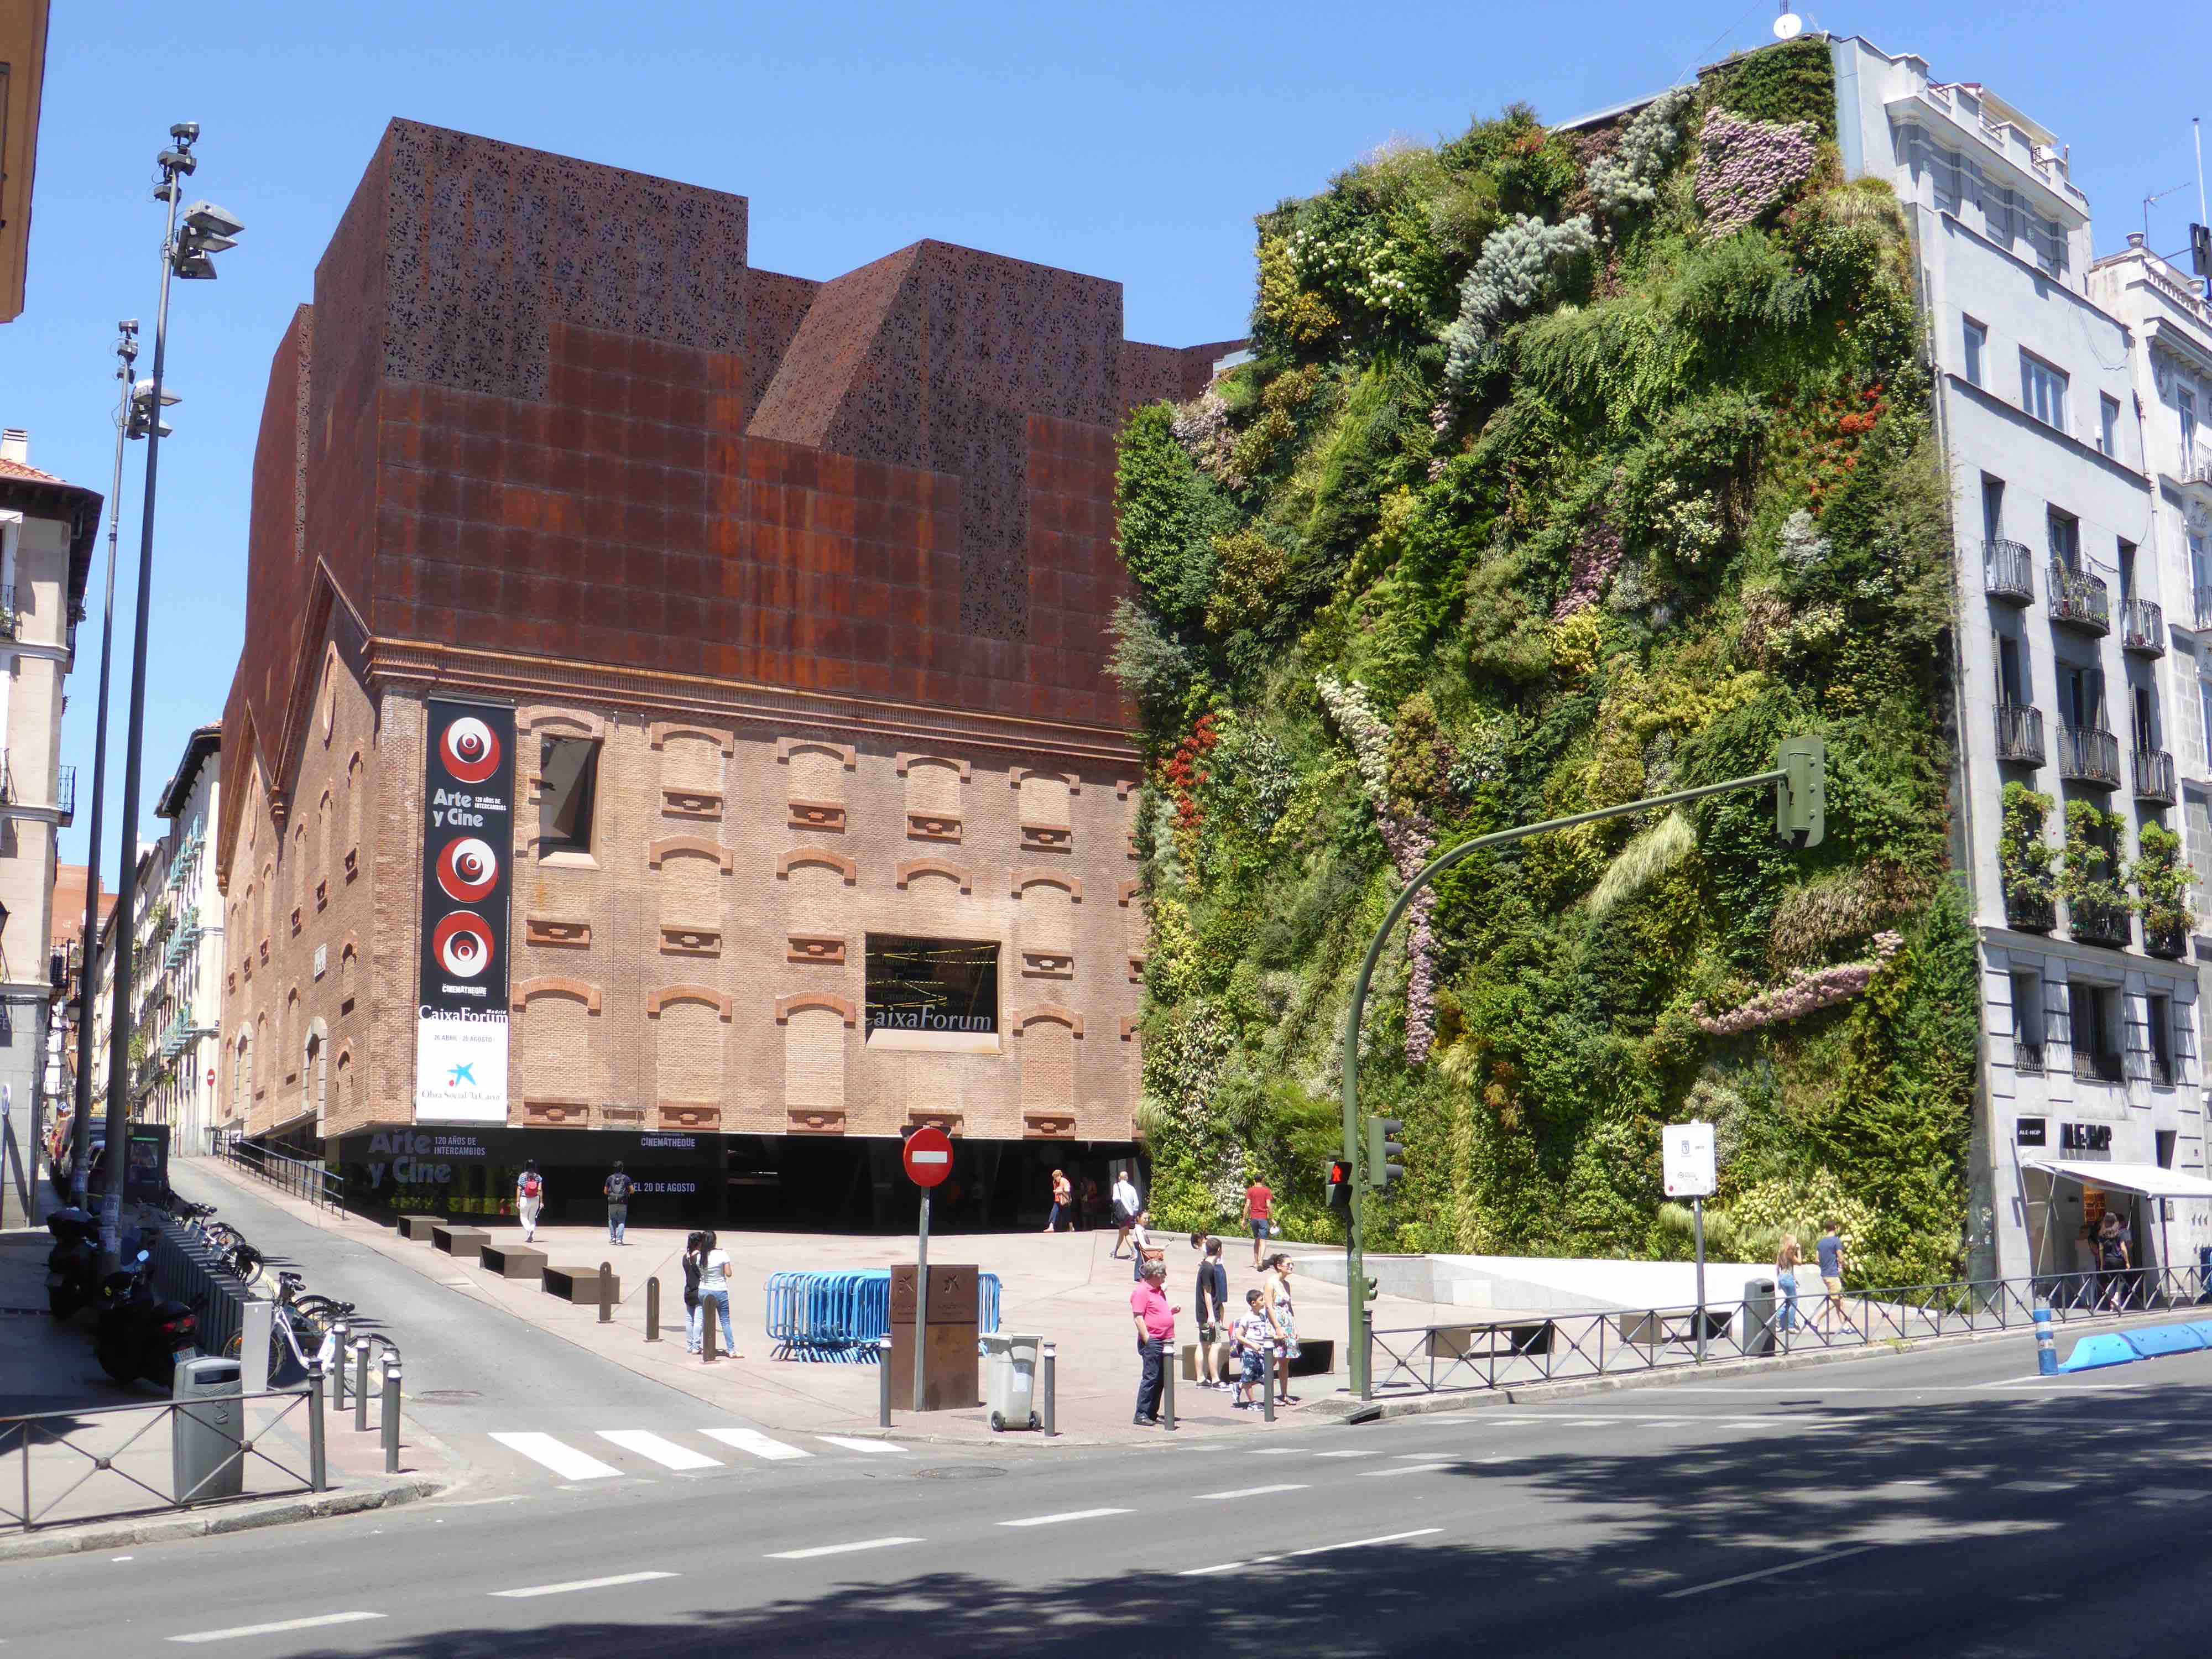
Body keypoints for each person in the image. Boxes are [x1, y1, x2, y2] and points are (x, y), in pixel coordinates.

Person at [1129, 1256, 1178, 1427]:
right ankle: (1141, 1413)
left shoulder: (1158, 1290)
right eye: (1163, 1274)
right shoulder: (1141, 1291)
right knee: (1151, 1377)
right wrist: (1148, 1339)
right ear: (1155, 1275)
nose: (1165, 1277)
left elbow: (1156, 1312)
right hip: (1153, 1340)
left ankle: (1152, 1412)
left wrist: (1170, 1312)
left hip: (1165, 1340)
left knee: (1161, 1378)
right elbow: (1138, 1317)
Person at [1193, 1236, 1230, 1389]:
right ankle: (1215, 1380)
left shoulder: (1206, 1266)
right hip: (1208, 1313)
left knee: (1203, 1343)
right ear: (1219, 1250)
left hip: (1205, 1312)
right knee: (1216, 1344)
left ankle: (1201, 1378)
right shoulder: (1208, 1268)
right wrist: (1212, 1315)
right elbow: (1207, 1292)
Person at [1265, 1252, 1301, 1405]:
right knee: (1272, 1360)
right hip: (1276, 1325)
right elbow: (1269, 1306)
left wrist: (1294, 1327)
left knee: (1285, 1361)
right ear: (1279, 1266)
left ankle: (1284, 1394)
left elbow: (1289, 1307)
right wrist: (1278, 1328)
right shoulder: (1271, 1283)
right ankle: (1268, 1394)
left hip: (1287, 1325)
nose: (1291, 1267)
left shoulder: (1286, 1284)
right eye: (1288, 1264)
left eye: (1292, 1264)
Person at [697, 1229, 738, 1357]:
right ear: (714, 1241)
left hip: (704, 1290)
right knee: (725, 1321)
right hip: (719, 1290)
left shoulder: (700, 1256)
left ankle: (706, 1347)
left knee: (705, 1320)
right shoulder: (722, 1254)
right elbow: (729, 1274)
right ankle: (731, 1350)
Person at [1231, 1287, 1274, 1409]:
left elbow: (1265, 1332)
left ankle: (1239, 1387)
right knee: (1249, 1376)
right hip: (1250, 1352)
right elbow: (1239, 1336)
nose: (1264, 1302)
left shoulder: (1262, 1316)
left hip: (1262, 1351)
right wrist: (1251, 1344)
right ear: (1254, 1303)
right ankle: (1252, 1403)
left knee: (1263, 1377)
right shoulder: (1247, 1317)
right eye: (1262, 1300)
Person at [2098, 1212, 2131, 1312]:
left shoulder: (2102, 1234)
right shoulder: (2119, 1233)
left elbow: (2101, 1249)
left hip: (2107, 1260)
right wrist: (2127, 1262)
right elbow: (2123, 1248)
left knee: (2110, 1281)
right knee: (2121, 1280)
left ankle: (2112, 1305)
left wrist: (2102, 1263)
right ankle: (2116, 1297)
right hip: (2118, 1260)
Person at [681, 1231, 706, 1354]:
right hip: (698, 1290)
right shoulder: (699, 1257)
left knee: (689, 1319)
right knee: (699, 1320)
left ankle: (690, 1345)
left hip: (688, 1290)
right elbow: (703, 1273)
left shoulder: (685, 1257)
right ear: (699, 1243)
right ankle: (696, 1346)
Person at [1774, 1233, 1801, 1344]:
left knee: (1789, 1300)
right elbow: (1800, 1262)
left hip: (1782, 1277)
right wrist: (1799, 1251)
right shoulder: (1789, 1253)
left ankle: (1777, 1317)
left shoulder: (1780, 1252)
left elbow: (1777, 1267)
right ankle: (1790, 1326)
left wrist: (1779, 1280)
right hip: (1788, 1278)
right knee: (1794, 1302)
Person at [1244, 1177, 1275, 1268]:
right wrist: (1272, 1218)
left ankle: (1256, 1262)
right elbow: (1269, 1205)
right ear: (1263, 1179)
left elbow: (1247, 1205)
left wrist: (1244, 1219)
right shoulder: (1267, 1191)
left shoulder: (1250, 1190)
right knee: (1263, 1240)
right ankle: (1261, 1262)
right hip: (1263, 1219)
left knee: (1257, 1240)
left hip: (1253, 1218)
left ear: (1255, 1180)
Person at [1110, 1170, 1141, 1257]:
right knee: (1122, 1232)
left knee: (1126, 1233)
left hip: (1121, 1214)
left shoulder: (1116, 1186)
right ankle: (1115, 1251)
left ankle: (1135, 1253)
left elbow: (1115, 1199)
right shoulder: (1132, 1188)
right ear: (1127, 1178)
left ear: (1119, 1178)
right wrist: (1134, 1213)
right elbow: (1137, 1204)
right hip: (1129, 1214)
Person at [2073, 1222, 2101, 1310]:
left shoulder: (2077, 1241)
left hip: (2080, 1264)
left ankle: (2083, 1302)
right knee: (2092, 1283)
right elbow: (2096, 1251)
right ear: (2086, 1232)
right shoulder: (2089, 1241)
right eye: (2088, 1231)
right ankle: (2092, 1302)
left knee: (2082, 1284)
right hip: (2090, 1264)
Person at [603, 1162, 633, 1245]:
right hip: (623, 1202)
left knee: (612, 1219)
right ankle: (619, 1240)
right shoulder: (626, 1178)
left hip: (612, 1202)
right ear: (622, 1169)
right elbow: (632, 1190)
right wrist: (626, 1194)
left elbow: (605, 1191)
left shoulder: (610, 1178)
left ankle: (613, 1239)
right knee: (621, 1221)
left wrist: (612, 1194)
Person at [515, 1160, 544, 1244]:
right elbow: (540, 1190)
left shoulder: (522, 1176)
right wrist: (541, 1202)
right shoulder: (538, 1177)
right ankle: (530, 1237)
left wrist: (518, 1200)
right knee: (532, 1218)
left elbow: (519, 1188)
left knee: (523, 1217)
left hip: (525, 1199)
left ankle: (529, 1230)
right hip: (535, 1199)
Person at [1130, 1209, 1157, 1282]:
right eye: (1145, 1218)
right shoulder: (1138, 1230)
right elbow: (1144, 1246)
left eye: (1148, 1218)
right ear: (1138, 1218)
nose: (1147, 1220)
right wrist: (1159, 1248)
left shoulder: (1141, 1229)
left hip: (1143, 1260)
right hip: (1141, 1262)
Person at [1043, 1168, 1071, 1234]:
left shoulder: (1064, 1181)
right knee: (1054, 1212)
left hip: (1065, 1200)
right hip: (1058, 1200)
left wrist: (1061, 1191)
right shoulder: (1055, 1182)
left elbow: (1067, 1190)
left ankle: (1071, 1227)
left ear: (1060, 1176)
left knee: (1067, 1214)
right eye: (1055, 1177)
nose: (1056, 1178)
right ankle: (1051, 1226)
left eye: (1057, 1176)